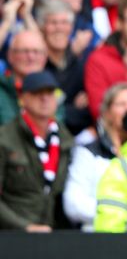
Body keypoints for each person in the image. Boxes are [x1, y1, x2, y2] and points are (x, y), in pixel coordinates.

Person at [0, 71, 74, 231]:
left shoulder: (65, 139)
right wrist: (25, 227)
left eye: (49, 93)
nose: (44, 98)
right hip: (10, 235)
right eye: (37, 93)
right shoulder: (5, 138)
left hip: (53, 234)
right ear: (23, 98)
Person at [63, 83, 127, 231]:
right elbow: (73, 203)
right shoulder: (89, 153)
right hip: (99, 240)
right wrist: (123, 213)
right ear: (106, 112)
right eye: (121, 104)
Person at [39, 0, 90, 137]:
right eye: (53, 23)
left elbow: (88, 113)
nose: (59, 28)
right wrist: (71, 109)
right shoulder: (35, 63)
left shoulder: (80, 64)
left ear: (71, 28)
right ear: (42, 27)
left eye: (64, 23)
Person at [0, 31, 65, 125]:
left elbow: (58, 126)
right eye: (24, 51)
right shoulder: (2, 88)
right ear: (10, 55)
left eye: (36, 51)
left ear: (45, 57)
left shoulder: (54, 92)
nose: (31, 57)